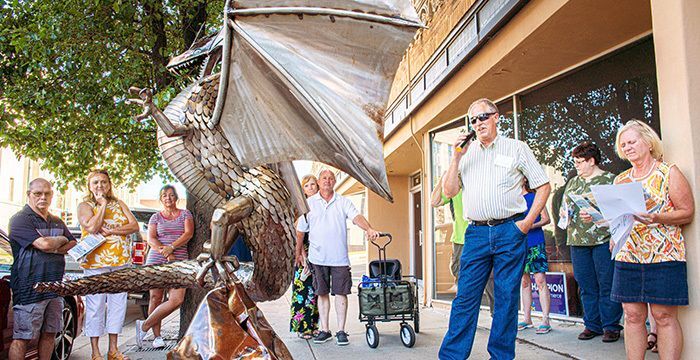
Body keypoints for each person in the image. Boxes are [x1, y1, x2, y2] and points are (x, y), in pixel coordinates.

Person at [439, 98, 551, 360]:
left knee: (505, 299)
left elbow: (543, 186)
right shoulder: (464, 152)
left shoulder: (516, 148)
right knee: (465, 298)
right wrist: (455, 158)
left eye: (483, 116)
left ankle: (500, 356)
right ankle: (452, 356)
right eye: (473, 119)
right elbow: (449, 191)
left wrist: (525, 224)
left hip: (509, 232)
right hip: (476, 233)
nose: (478, 123)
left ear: (497, 117)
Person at [611, 120, 693, 359]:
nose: (627, 147)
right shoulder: (621, 180)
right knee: (632, 315)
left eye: (632, 141)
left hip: (664, 254)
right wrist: (598, 217)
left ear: (648, 141)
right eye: (623, 144)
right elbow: (618, 218)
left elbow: (687, 211)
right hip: (628, 254)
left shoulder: (668, 172)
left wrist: (657, 217)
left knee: (664, 316)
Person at [296, 169, 381, 346]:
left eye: (330, 178)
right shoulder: (308, 203)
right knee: (322, 294)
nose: (327, 180)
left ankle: (341, 331)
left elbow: (356, 217)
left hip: (339, 258)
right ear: (318, 182)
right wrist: (298, 253)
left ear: (334, 182)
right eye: (324, 178)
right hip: (317, 258)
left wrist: (369, 229)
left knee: (341, 294)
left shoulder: (343, 202)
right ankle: (325, 330)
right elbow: (300, 231)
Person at [8, 178, 77, 360]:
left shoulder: (56, 220)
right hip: (29, 287)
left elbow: (72, 242)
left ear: (52, 195)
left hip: (54, 287)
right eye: (38, 193)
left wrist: (55, 243)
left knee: (50, 334)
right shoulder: (19, 220)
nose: (43, 197)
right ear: (28, 195)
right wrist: (58, 241)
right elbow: (45, 244)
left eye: (47, 193)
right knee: (22, 337)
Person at [562, 141, 623, 342]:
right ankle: (592, 325)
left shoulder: (610, 180)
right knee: (586, 284)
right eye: (575, 162)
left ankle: (611, 326)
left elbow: (620, 212)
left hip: (603, 239)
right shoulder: (573, 182)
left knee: (607, 283)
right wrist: (565, 214)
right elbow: (565, 208)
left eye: (580, 162)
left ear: (592, 160)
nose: (576, 166)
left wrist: (598, 215)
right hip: (578, 241)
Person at [78, 170, 139, 360]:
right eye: (95, 182)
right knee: (95, 306)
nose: (100, 186)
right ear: (89, 185)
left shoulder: (120, 203)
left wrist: (113, 230)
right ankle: (95, 352)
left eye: (103, 182)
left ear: (109, 184)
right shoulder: (85, 205)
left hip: (120, 262)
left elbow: (134, 226)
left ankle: (113, 349)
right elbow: (92, 227)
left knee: (118, 305)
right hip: (96, 264)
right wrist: (102, 205)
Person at [135, 185, 193, 349]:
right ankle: (157, 337)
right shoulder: (155, 217)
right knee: (155, 298)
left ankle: (144, 326)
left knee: (177, 300)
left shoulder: (185, 214)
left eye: (171, 195)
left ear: (176, 197)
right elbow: (151, 239)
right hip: (156, 260)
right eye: (164, 195)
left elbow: (188, 234)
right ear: (161, 199)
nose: (168, 198)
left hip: (179, 261)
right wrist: (166, 253)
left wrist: (172, 247)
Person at [430, 174, 495, 314]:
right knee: (460, 276)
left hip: (481, 236)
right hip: (460, 240)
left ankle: (496, 314)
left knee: (490, 277)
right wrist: (444, 177)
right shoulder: (454, 190)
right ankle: (466, 314)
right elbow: (434, 201)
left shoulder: (478, 185)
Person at [518, 178, 552, 334]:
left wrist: (530, 225)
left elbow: (546, 219)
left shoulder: (536, 196)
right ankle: (527, 319)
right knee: (524, 282)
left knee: (540, 280)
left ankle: (545, 319)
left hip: (536, 242)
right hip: (519, 244)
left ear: (524, 179)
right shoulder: (512, 200)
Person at [290, 174, 321, 339]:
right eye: (307, 185)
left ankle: (314, 325)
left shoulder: (320, 206)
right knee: (303, 291)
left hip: (318, 253)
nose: (311, 187)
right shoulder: (302, 207)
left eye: (313, 184)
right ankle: (303, 328)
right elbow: (298, 234)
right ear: (303, 190)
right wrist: (302, 255)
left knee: (316, 291)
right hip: (304, 253)